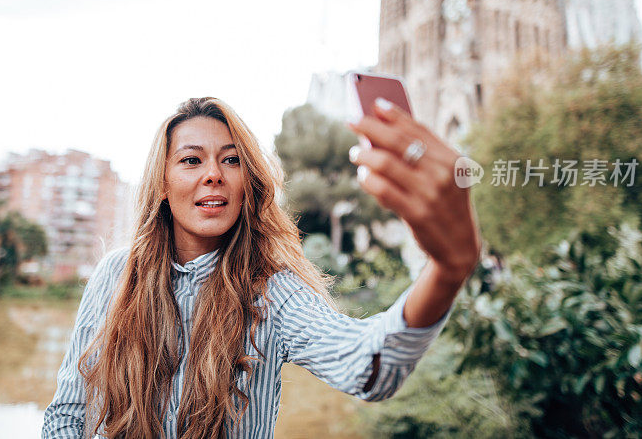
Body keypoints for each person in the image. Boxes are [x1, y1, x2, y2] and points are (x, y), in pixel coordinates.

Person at [41, 96, 481, 439]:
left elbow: (367, 365)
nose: (213, 174)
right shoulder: (116, 275)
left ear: (247, 185)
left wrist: (446, 270)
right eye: (192, 160)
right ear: (162, 184)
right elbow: (67, 415)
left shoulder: (271, 292)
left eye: (231, 160)